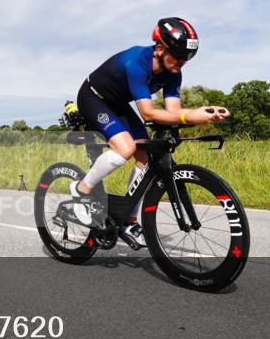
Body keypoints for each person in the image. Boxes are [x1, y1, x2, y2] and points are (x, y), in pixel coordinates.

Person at [70, 17, 230, 247]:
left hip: (117, 104)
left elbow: (172, 112)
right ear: (160, 48)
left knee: (144, 155)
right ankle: (81, 190)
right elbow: (149, 114)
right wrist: (192, 114)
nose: (182, 62)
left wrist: (203, 115)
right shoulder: (136, 63)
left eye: (187, 58)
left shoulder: (174, 72)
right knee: (126, 148)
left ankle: (129, 219)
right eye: (178, 56)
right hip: (93, 98)